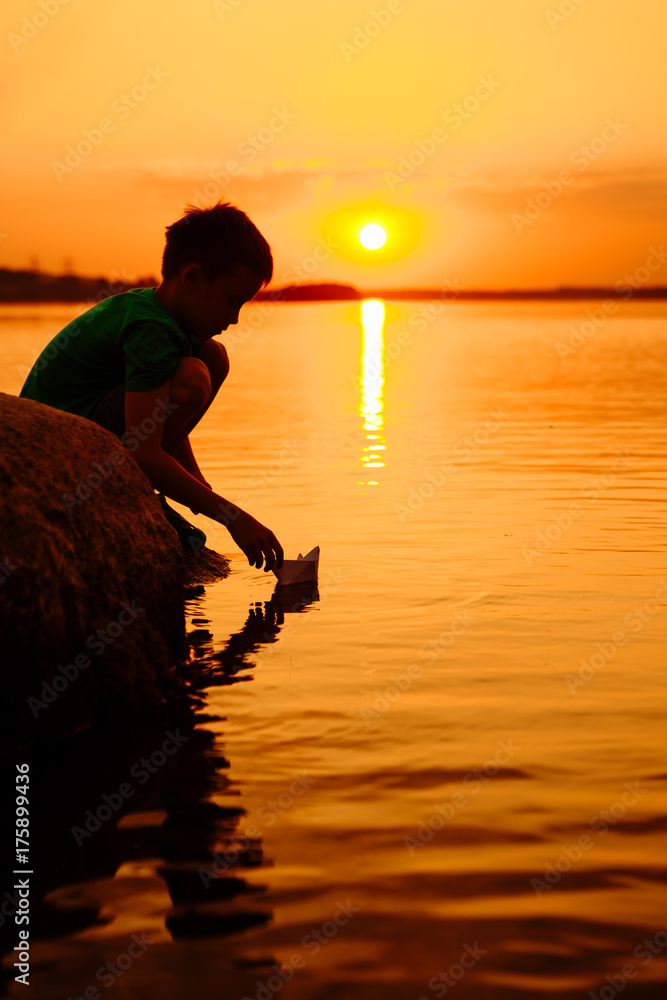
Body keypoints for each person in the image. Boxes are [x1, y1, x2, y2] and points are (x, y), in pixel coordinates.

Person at [19, 201, 284, 573]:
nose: (235, 318)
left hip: (100, 426)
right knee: (194, 376)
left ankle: (152, 487)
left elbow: (155, 419)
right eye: (231, 301)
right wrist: (232, 516)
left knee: (213, 358)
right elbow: (145, 449)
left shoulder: (174, 321)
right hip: (59, 449)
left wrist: (199, 490)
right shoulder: (151, 329)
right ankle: (126, 486)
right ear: (192, 277)